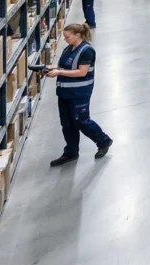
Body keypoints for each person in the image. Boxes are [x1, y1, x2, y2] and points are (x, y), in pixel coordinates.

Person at [45, 23, 113, 166]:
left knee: (81, 121)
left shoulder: (86, 51)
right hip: (64, 93)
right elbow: (66, 66)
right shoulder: (68, 49)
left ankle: (103, 141)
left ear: (77, 35)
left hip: (79, 94)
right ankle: (71, 152)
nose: (65, 39)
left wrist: (59, 72)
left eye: (67, 37)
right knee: (67, 124)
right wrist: (54, 68)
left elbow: (82, 72)